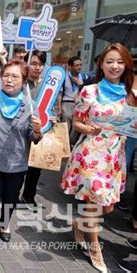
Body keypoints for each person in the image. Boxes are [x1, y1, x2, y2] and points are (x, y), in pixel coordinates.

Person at [61, 43, 135, 273]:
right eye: (110, 61)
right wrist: (87, 129)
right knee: (93, 206)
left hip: (115, 157)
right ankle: (95, 249)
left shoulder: (131, 94)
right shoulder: (89, 91)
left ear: (126, 65)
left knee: (108, 208)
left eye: (120, 62)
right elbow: (77, 122)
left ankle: (79, 223)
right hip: (91, 154)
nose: (115, 66)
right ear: (101, 64)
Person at [0, 59, 42, 261]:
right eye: (6, 75)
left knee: (10, 200)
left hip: (17, 163)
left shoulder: (30, 105)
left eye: (15, 76)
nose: (9, 80)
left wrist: (37, 130)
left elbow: (34, 138)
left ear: (23, 80)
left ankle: (4, 223)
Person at [20, 50, 53, 210]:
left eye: (40, 64)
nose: (37, 67)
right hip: (21, 130)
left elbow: (52, 106)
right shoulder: (21, 83)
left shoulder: (47, 85)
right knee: (20, 165)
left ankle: (28, 196)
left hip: (40, 130)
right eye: (33, 63)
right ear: (26, 63)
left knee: (36, 166)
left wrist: (53, 117)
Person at [59, 56, 87, 145]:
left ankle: (71, 146)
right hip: (67, 103)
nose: (79, 67)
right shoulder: (64, 77)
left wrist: (80, 84)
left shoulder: (83, 76)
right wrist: (59, 108)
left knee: (76, 129)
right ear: (70, 66)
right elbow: (60, 94)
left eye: (80, 65)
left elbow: (86, 93)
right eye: (76, 65)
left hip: (79, 105)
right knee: (65, 127)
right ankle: (63, 147)